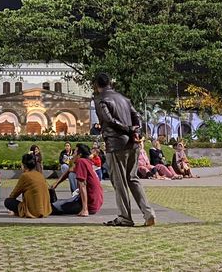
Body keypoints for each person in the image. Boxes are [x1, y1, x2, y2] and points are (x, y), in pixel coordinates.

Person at [94, 72, 156, 227]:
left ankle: (125, 217)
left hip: (115, 145)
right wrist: (136, 131)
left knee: (120, 182)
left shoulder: (101, 99)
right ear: (110, 83)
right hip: (132, 144)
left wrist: (128, 129)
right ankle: (148, 213)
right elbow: (137, 117)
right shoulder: (124, 99)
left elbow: (108, 120)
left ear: (96, 85)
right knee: (133, 179)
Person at [50, 144, 103, 216]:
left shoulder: (81, 162)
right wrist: (56, 183)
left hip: (89, 204)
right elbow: (70, 170)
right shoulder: (87, 161)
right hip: (95, 202)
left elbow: (82, 185)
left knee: (51, 208)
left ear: (79, 154)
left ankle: (84, 208)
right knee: (60, 202)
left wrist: (85, 209)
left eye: (74, 152)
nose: (73, 155)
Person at [5, 153, 52, 218]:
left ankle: (22, 211)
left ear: (23, 165)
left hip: (34, 211)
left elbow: (14, 195)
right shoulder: (40, 175)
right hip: (45, 210)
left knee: (8, 202)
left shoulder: (25, 176)